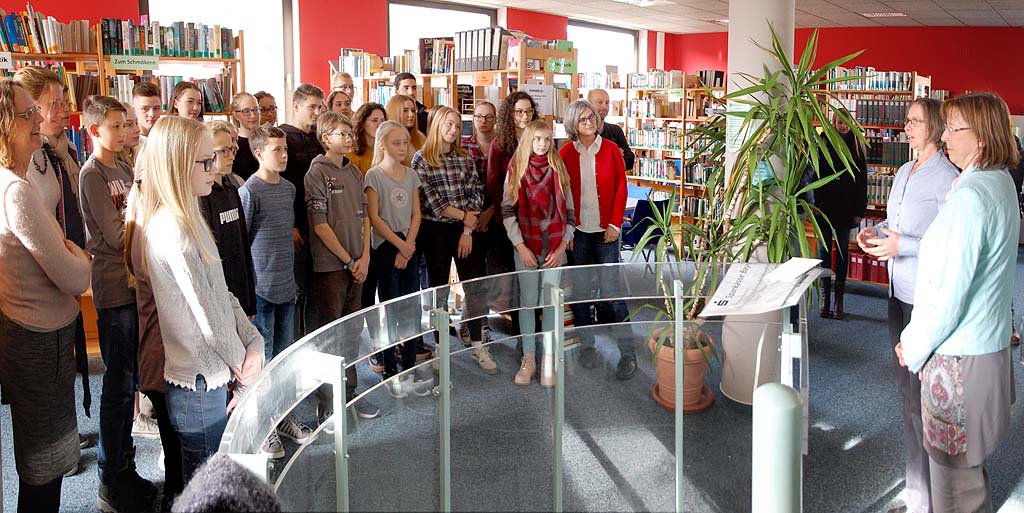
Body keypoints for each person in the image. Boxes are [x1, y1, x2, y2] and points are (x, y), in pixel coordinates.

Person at [896, 92, 1020, 512]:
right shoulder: (998, 181)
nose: (944, 136)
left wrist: (912, 344)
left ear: (981, 137)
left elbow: (948, 294)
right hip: (985, 347)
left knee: (954, 487)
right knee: (969, 478)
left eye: (953, 128)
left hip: (958, 359)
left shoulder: (971, 196)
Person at [127, 116, 264, 484]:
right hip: (198, 383)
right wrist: (246, 370)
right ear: (177, 166)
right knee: (202, 486)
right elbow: (208, 317)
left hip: (212, 377)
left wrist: (253, 340)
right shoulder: (171, 228)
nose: (214, 168)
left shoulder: (191, 218)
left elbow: (222, 294)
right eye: (205, 162)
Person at [856, 97, 959, 513]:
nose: (907, 128)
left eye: (915, 121)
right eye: (907, 121)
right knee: (906, 393)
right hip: (896, 294)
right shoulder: (902, 171)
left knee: (925, 399)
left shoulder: (948, 179)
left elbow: (948, 241)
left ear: (933, 126)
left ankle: (931, 496)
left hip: (924, 299)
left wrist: (905, 245)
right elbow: (894, 225)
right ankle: (919, 491)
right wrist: (875, 232)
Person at [0, 78, 91, 513]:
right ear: (5, 127)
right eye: (27, 113)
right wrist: (78, 257)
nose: (38, 118)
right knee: (44, 472)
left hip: (39, 339)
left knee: (45, 465)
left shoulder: (18, 182)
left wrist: (67, 249)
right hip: (37, 343)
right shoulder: (16, 192)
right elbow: (74, 275)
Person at [78, 96, 160, 511]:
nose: (126, 131)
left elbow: (139, 215)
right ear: (95, 130)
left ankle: (125, 468)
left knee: (130, 383)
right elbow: (115, 235)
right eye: (116, 125)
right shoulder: (92, 174)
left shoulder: (125, 168)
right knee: (117, 386)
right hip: (113, 288)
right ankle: (109, 478)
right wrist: (143, 222)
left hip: (135, 285)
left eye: (127, 124)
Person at [238, 126, 316, 457]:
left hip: (286, 286)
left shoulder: (288, 188)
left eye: (285, 149)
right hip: (261, 290)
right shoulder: (249, 191)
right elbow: (242, 243)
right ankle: (263, 426)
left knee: (284, 358)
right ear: (259, 153)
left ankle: (283, 416)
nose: (284, 155)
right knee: (264, 361)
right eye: (276, 150)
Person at [305, 111, 381, 419]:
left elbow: (365, 218)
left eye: (351, 134)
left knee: (352, 330)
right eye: (343, 134)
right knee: (331, 333)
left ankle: (349, 391)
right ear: (326, 139)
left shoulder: (353, 171)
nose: (349, 139)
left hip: (358, 263)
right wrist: (349, 261)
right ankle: (328, 400)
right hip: (332, 266)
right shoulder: (316, 173)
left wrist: (364, 258)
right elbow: (321, 226)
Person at [412, 106, 496, 374]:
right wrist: (466, 217)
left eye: (458, 126)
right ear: (437, 125)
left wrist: (468, 229)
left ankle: (477, 343)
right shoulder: (421, 159)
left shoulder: (464, 157)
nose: (454, 130)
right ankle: (440, 346)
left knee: (474, 287)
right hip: (435, 230)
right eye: (449, 124)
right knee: (440, 290)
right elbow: (432, 202)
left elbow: (476, 191)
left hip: (465, 230)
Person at [559, 99, 635, 380]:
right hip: (578, 233)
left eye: (591, 117)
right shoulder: (565, 153)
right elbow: (561, 195)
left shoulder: (612, 149)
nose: (589, 122)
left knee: (611, 291)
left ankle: (628, 353)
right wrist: (567, 231)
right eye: (582, 119)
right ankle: (587, 345)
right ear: (573, 124)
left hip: (607, 232)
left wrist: (615, 223)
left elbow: (621, 187)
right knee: (580, 292)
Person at [502, 120, 575, 387]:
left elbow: (570, 214)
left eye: (546, 139)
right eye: (537, 139)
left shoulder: (558, 167)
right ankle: (529, 358)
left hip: (554, 249)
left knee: (551, 303)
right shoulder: (516, 168)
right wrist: (520, 247)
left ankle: (549, 359)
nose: (542, 144)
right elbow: (507, 211)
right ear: (528, 140)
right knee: (528, 301)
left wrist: (561, 246)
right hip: (526, 248)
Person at [364, 120, 432, 397]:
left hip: (408, 245)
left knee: (411, 307)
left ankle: (410, 367)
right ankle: (390, 369)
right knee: (391, 307)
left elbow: (416, 214)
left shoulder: (411, 174)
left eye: (405, 142)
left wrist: (408, 245)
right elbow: (374, 217)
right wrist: (399, 246)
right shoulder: (373, 176)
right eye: (396, 143)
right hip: (385, 246)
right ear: (383, 145)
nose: (403, 147)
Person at [280, 84, 327, 337]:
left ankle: (315, 342)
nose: (317, 112)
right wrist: (291, 225)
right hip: (295, 227)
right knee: (296, 291)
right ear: (296, 106)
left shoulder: (320, 139)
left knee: (317, 291)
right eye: (312, 107)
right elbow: (279, 186)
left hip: (320, 226)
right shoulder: (283, 139)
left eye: (320, 107)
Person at [813, 110, 867, 319]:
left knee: (843, 252)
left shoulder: (856, 144)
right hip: (824, 207)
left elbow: (861, 181)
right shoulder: (823, 142)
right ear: (833, 123)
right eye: (838, 122)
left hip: (846, 208)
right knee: (824, 253)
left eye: (845, 123)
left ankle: (839, 301)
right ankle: (825, 299)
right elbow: (814, 175)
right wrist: (814, 205)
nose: (842, 127)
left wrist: (859, 210)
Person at [199, 120, 256, 316]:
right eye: (224, 151)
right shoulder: (202, 198)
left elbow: (243, 246)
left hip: (240, 289)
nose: (231, 156)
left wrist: (250, 300)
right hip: (220, 294)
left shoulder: (232, 190)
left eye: (232, 149)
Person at [587, 88, 634, 172]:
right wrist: (615, 156)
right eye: (600, 102)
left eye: (607, 103)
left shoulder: (615, 131)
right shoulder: (583, 133)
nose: (604, 107)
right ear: (588, 105)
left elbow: (630, 161)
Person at [385, 94, 425, 165]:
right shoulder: (385, 139)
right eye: (405, 110)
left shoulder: (420, 138)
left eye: (413, 110)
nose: (411, 114)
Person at [347, 102, 387, 175]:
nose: (380, 125)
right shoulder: (351, 153)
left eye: (383, 120)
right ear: (362, 123)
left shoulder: (387, 150)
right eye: (375, 120)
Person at [230, 91, 262, 180]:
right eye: (246, 111)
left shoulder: (268, 140)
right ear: (236, 115)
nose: (253, 116)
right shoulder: (233, 145)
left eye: (256, 110)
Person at [116, 100, 142, 166]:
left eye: (137, 123)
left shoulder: (141, 153)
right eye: (129, 125)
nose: (138, 130)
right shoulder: (115, 164)